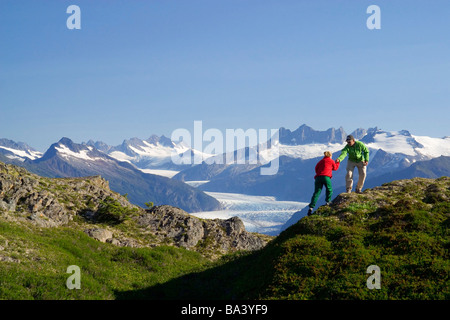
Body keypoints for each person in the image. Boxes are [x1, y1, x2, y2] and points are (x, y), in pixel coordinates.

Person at [307, 151, 340, 216]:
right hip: (326, 177)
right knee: (329, 189)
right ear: (330, 155)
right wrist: (338, 162)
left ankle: (311, 207)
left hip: (318, 178)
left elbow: (316, 168)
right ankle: (328, 201)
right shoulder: (331, 161)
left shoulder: (321, 161)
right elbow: (335, 168)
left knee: (316, 193)